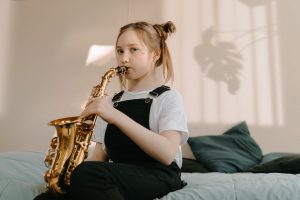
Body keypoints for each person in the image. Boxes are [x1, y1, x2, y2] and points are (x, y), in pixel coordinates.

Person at [34, 21, 188, 200]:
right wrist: (69, 176)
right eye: (120, 51)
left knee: (89, 174)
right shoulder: (111, 102)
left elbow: (167, 154)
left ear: (155, 54)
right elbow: (99, 157)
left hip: (160, 174)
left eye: (134, 49)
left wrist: (116, 117)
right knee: (46, 198)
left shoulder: (168, 98)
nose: (124, 58)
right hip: (121, 175)